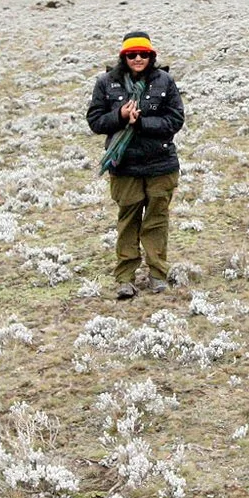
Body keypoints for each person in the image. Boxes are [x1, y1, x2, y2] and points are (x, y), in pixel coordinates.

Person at [86, 32, 185, 298]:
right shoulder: (106, 83)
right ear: (123, 57)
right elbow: (95, 121)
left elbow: (175, 120)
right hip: (124, 165)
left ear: (151, 56)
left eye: (143, 54)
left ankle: (157, 274)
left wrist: (140, 123)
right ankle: (125, 278)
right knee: (127, 220)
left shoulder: (164, 81)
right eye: (132, 54)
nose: (138, 58)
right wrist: (119, 115)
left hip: (160, 164)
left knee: (156, 220)